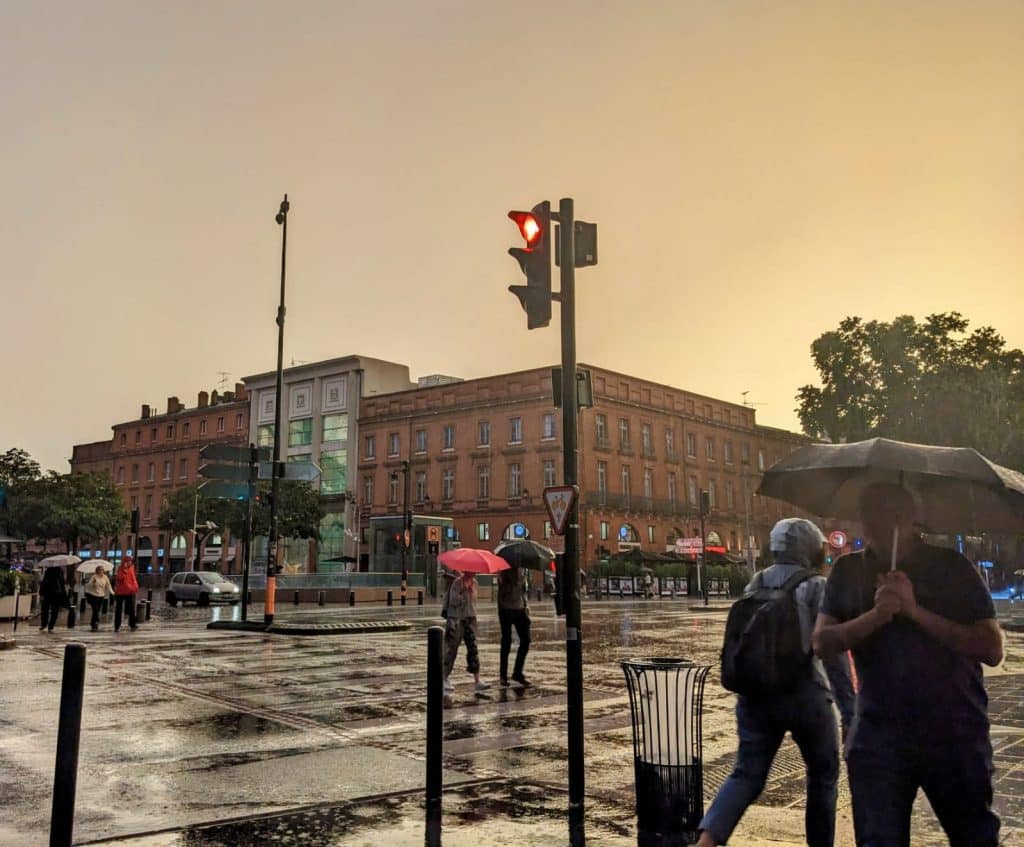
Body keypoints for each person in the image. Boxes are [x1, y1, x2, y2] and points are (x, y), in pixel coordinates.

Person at [813, 483, 1004, 847]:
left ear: (911, 518)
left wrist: (914, 611)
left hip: (954, 731)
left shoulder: (952, 567)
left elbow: (992, 648)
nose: (880, 524)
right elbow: (822, 642)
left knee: (974, 836)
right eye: (871, 514)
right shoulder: (848, 571)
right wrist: (877, 615)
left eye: (892, 513)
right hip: (878, 733)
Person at [698, 518, 839, 847]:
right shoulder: (815, 586)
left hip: (756, 695)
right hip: (805, 694)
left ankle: (706, 841)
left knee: (746, 774)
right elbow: (829, 651)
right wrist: (851, 708)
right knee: (823, 774)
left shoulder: (755, 583)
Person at [442, 570, 489, 695]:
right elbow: (453, 601)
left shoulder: (475, 583)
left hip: (470, 619)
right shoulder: (457, 583)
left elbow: (473, 601)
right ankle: (444, 678)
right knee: (451, 649)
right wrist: (463, 591)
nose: (474, 573)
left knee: (473, 649)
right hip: (457, 619)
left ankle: (477, 680)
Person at [497, 564, 531, 687]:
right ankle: (503, 675)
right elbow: (503, 592)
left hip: (519, 608)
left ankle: (517, 672)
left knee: (526, 640)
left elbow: (523, 591)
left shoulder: (522, 569)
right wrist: (512, 582)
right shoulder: (504, 570)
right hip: (506, 609)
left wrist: (525, 605)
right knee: (506, 641)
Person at [113, 556, 139, 632]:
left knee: (131, 609)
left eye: (131, 561)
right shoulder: (120, 569)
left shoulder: (131, 568)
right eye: (129, 561)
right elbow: (120, 578)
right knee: (119, 609)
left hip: (130, 591)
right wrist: (124, 570)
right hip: (121, 592)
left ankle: (132, 624)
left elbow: (133, 579)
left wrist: (135, 587)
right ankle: (117, 626)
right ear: (125, 562)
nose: (130, 562)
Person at [38, 566, 68, 632]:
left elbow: (44, 582)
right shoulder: (60, 572)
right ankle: (50, 626)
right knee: (54, 611)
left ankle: (45, 625)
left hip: (49, 593)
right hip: (56, 593)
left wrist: (41, 593)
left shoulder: (49, 571)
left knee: (46, 610)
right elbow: (62, 583)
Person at [85, 564, 112, 631]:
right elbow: (89, 585)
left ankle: (93, 623)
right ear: (97, 571)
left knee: (97, 610)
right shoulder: (94, 577)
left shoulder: (105, 577)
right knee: (95, 610)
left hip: (101, 596)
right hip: (93, 595)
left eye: (102, 570)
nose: (101, 571)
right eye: (99, 570)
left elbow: (108, 585)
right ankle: (96, 623)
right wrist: (93, 583)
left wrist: (113, 592)